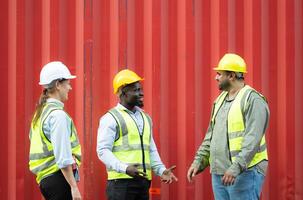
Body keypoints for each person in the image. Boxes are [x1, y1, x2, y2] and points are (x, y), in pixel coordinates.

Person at [187, 53, 269, 200]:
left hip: (244, 173)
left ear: (231, 76)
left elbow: (253, 140)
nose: (216, 77)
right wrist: (198, 161)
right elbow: (210, 136)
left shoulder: (253, 100)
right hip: (220, 173)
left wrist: (235, 168)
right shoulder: (219, 101)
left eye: (219, 74)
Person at [97, 69, 178, 200]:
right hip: (120, 184)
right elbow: (102, 151)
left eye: (140, 89)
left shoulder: (146, 118)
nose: (141, 93)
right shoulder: (111, 118)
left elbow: (150, 149)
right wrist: (124, 168)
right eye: (135, 90)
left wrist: (161, 170)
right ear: (123, 92)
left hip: (143, 182)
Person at [29, 61, 82, 200]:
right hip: (58, 179)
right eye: (68, 83)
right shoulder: (58, 115)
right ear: (58, 85)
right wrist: (74, 187)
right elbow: (63, 157)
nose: (70, 88)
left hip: (46, 180)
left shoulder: (40, 114)